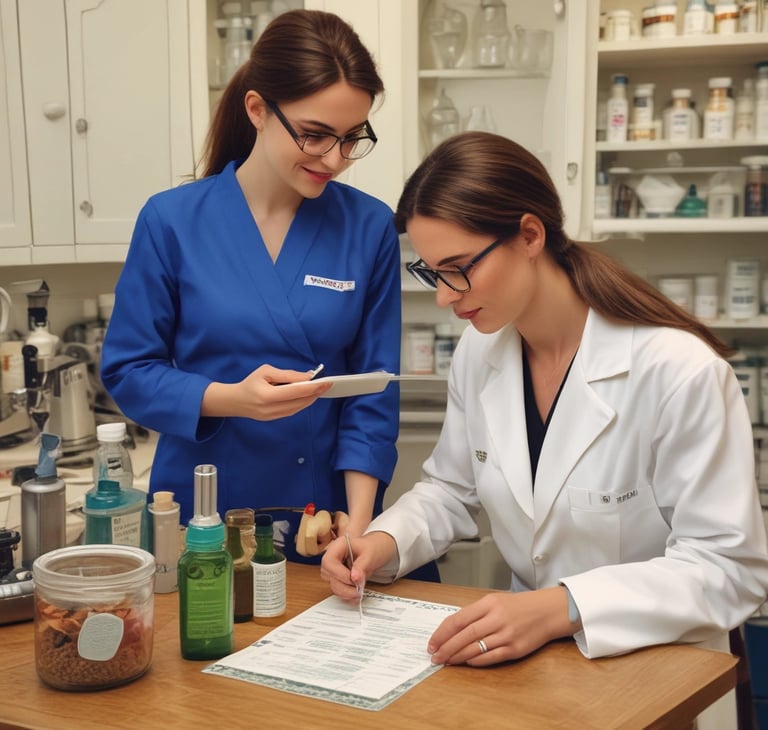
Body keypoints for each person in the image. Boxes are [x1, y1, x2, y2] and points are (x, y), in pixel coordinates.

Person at [322, 132, 768, 674]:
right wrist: (384, 542)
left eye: (458, 268)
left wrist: (563, 607)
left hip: (657, 668)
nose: (444, 296)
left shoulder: (679, 372)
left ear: (529, 235)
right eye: (431, 271)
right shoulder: (481, 348)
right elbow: (452, 489)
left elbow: (727, 568)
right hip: (534, 669)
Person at [100, 9, 405, 565]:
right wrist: (234, 400)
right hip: (200, 518)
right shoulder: (172, 221)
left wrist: (358, 525)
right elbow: (130, 371)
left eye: (350, 138)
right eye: (313, 135)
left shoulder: (369, 227)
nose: (334, 160)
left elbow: (373, 395)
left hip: (322, 523)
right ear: (258, 109)